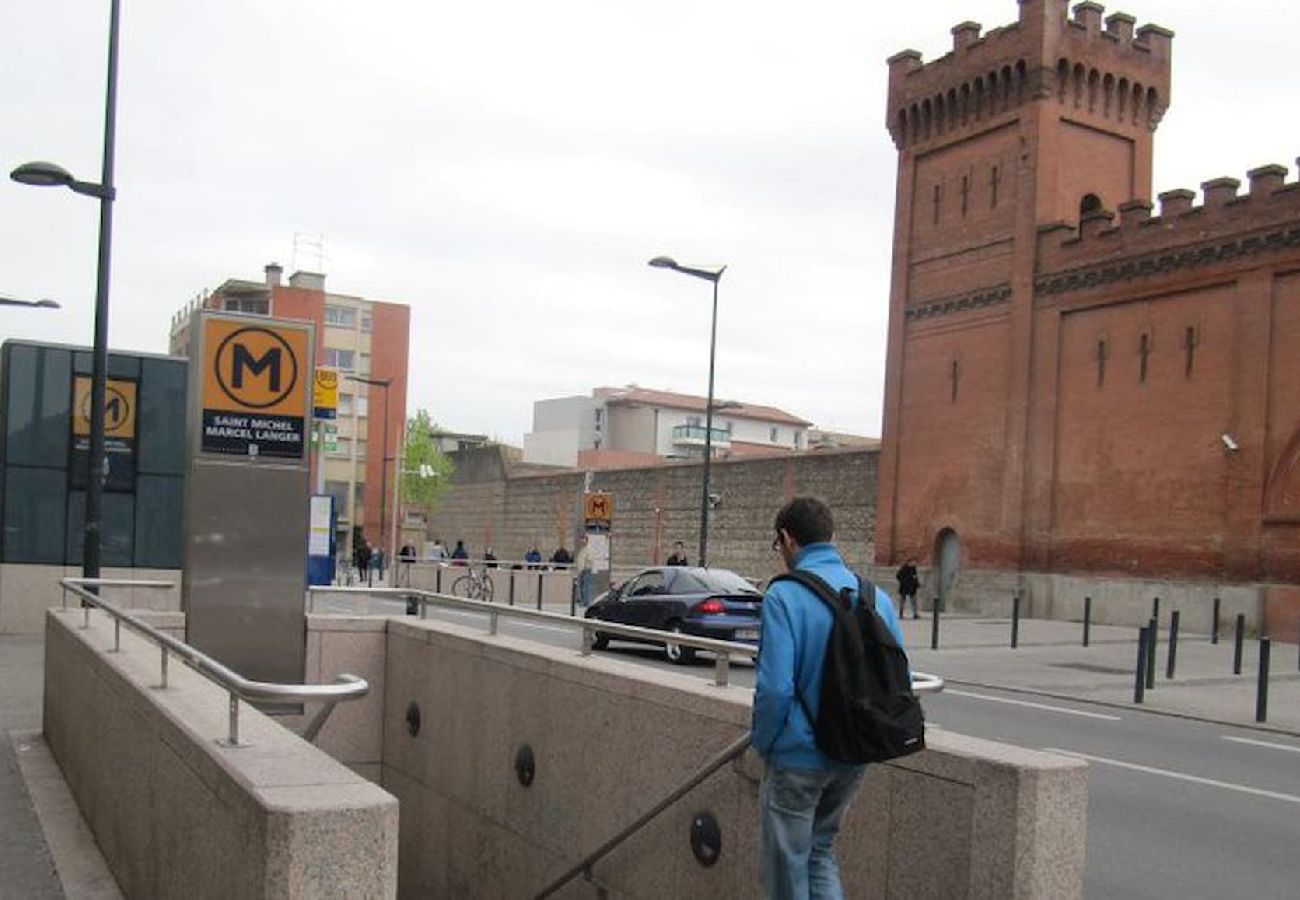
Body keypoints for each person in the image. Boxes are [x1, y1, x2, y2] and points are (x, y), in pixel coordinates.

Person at [752, 496, 906, 900]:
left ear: (787, 539)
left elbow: (775, 689)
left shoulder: (783, 597)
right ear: (830, 536)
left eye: (778, 544)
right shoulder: (876, 597)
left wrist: (764, 743)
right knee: (819, 851)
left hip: (798, 755)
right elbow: (897, 677)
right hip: (855, 753)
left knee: (786, 870)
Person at [573, 535, 595, 608]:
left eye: (583, 539)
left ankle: (586, 602)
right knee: (583, 586)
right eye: (581, 540)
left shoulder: (589, 549)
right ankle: (583, 601)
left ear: (586, 540)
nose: (582, 541)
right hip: (582, 570)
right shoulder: (583, 549)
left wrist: (584, 566)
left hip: (586, 569)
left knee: (586, 587)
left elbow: (590, 559)